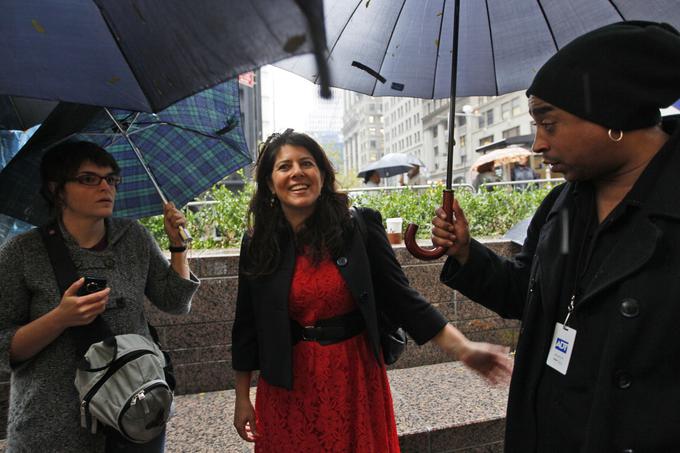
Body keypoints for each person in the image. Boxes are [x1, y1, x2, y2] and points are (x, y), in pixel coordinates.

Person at [431, 21, 680, 452]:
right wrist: (467, 253)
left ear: (612, 115)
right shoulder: (565, 208)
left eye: (549, 123)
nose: (537, 144)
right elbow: (526, 293)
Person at [232, 129, 512, 452]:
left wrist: (464, 349)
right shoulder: (257, 243)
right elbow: (246, 324)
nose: (297, 173)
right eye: (284, 167)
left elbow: (403, 299)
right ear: (269, 183)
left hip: (353, 380)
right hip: (286, 386)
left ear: (322, 175)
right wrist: (242, 397)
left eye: (306, 163)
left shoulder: (358, 228)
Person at [0, 141, 200, 452]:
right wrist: (60, 318)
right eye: (89, 178)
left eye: (111, 178)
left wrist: (178, 248)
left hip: (135, 412)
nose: (105, 187)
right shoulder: (23, 252)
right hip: (53, 425)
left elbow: (174, 301)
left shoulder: (133, 237)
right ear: (57, 189)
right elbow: (3, 345)